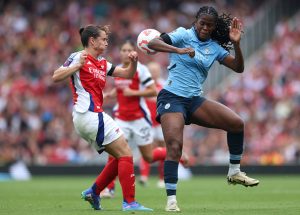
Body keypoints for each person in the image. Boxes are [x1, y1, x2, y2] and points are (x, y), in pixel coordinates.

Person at [148, 6, 259, 212]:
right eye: (202, 23)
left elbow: (238, 67)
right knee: (174, 147)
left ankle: (234, 172)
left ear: (215, 26)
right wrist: (178, 49)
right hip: (172, 97)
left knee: (236, 123)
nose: (205, 28)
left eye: (210, 25)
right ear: (196, 21)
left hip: (194, 100)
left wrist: (237, 44)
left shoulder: (214, 47)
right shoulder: (182, 34)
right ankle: (171, 200)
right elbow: (153, 42)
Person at [52, 24, 152, 212]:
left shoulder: (103, 63)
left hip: (92, 117)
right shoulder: (78, 56)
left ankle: (94, 192)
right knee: (126, 153)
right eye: (104, 39)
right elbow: (55, 76)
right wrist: (76, 66)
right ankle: (129, 203)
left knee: (118, 156)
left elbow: (128, 74)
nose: (107, 42)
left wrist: (135, 62)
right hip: (87, 114)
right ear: (92, 41)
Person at [101, 41, 188, 197]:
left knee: (148, 156)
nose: (126, 52)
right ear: (120, 52)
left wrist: (133, 94)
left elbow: (152, 90)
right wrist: (110, 95)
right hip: (121, 118)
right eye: (123, 49)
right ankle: (109, 188)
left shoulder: (141, 70)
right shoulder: (119, 71)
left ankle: (176, 154)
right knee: (113, 152)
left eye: (129, 50)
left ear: (134, 52)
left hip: (139, 118)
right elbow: (121, 88)